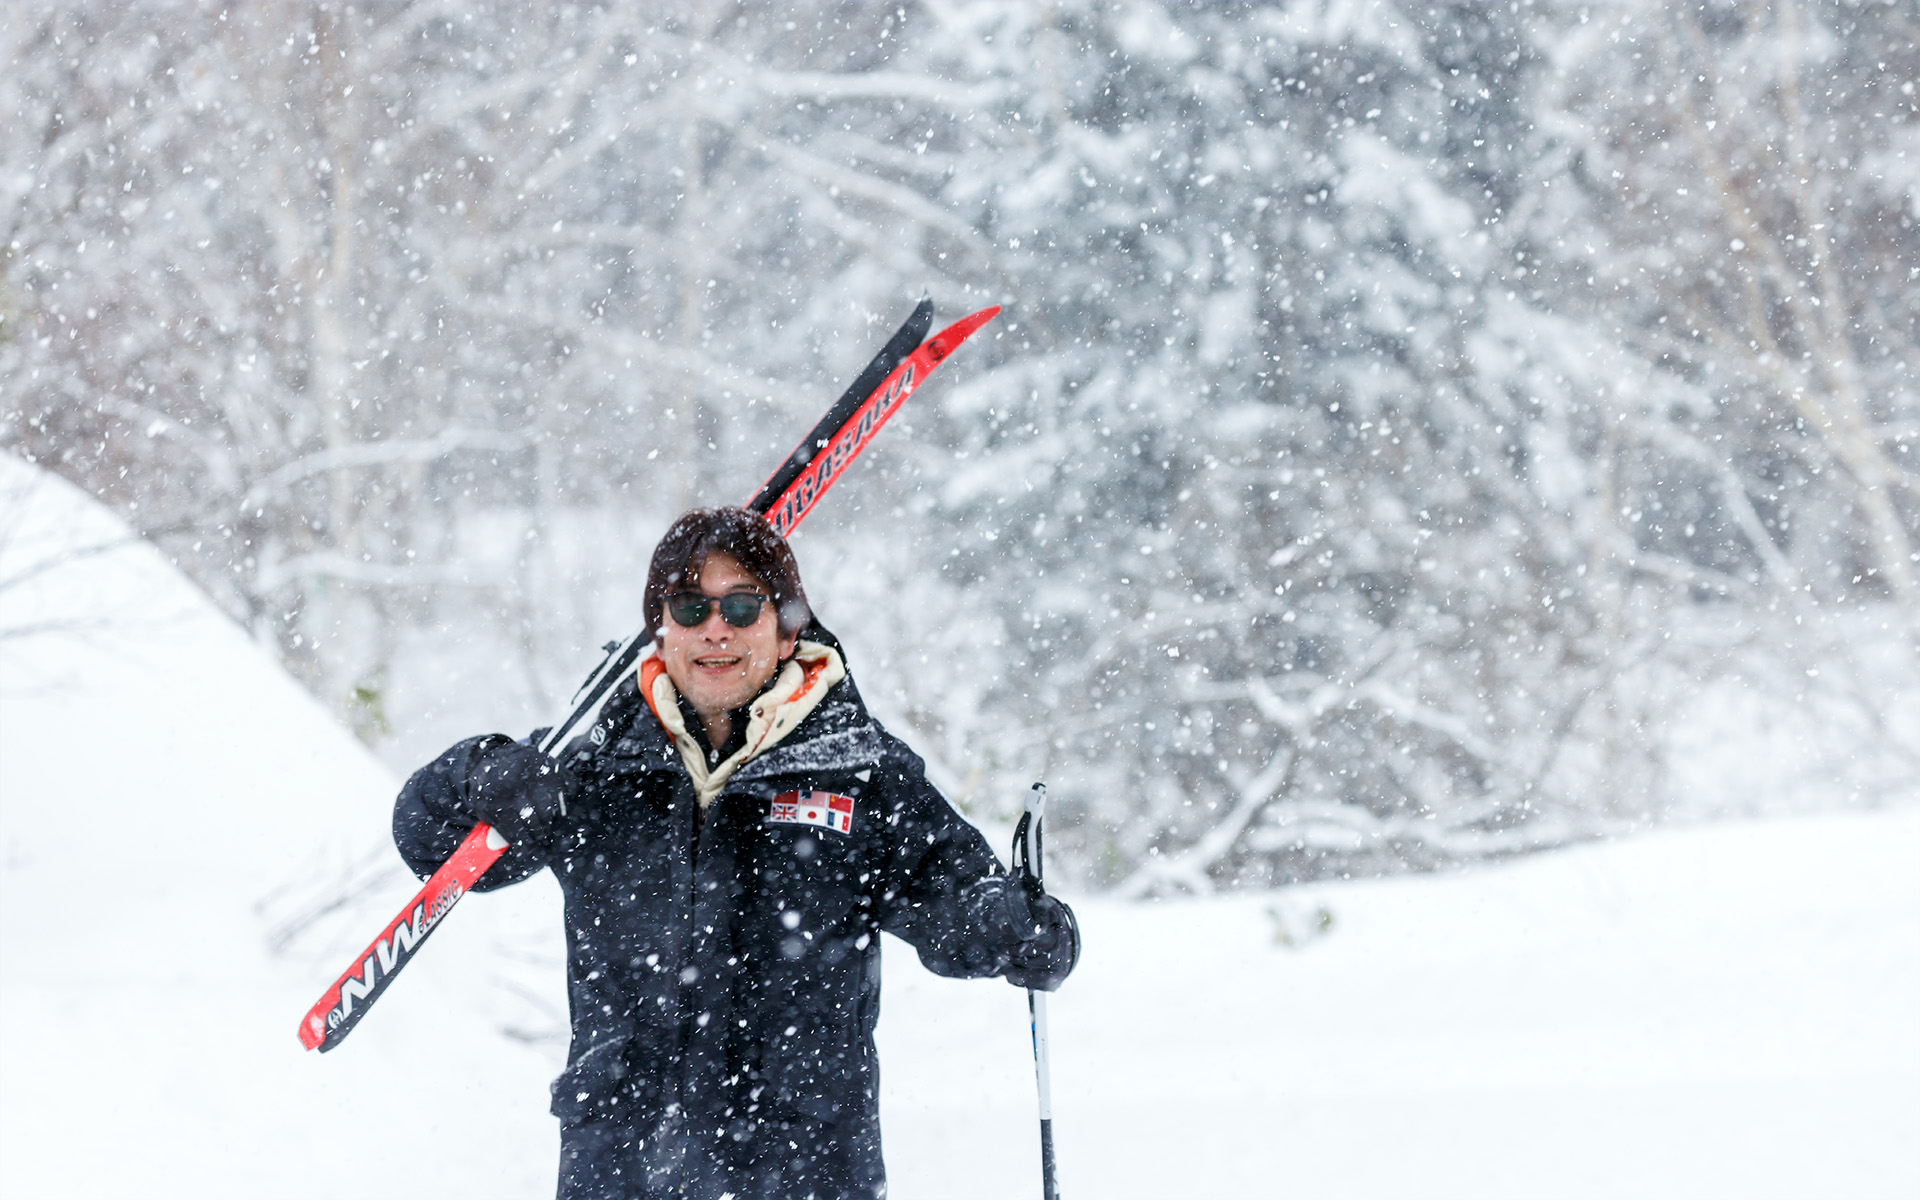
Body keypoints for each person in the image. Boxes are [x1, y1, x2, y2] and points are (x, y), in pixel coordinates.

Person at [394, 506, 1079, 1200]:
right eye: (691, 608)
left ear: (786, 632)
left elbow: (959, 901)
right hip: (622, 1170)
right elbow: (432, 844)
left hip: (802, 1170)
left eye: (742, 605)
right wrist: (478, 775)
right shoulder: (595, 772)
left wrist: (1018, 928)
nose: (715, 628)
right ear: (662, 630)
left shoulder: (859, 773)